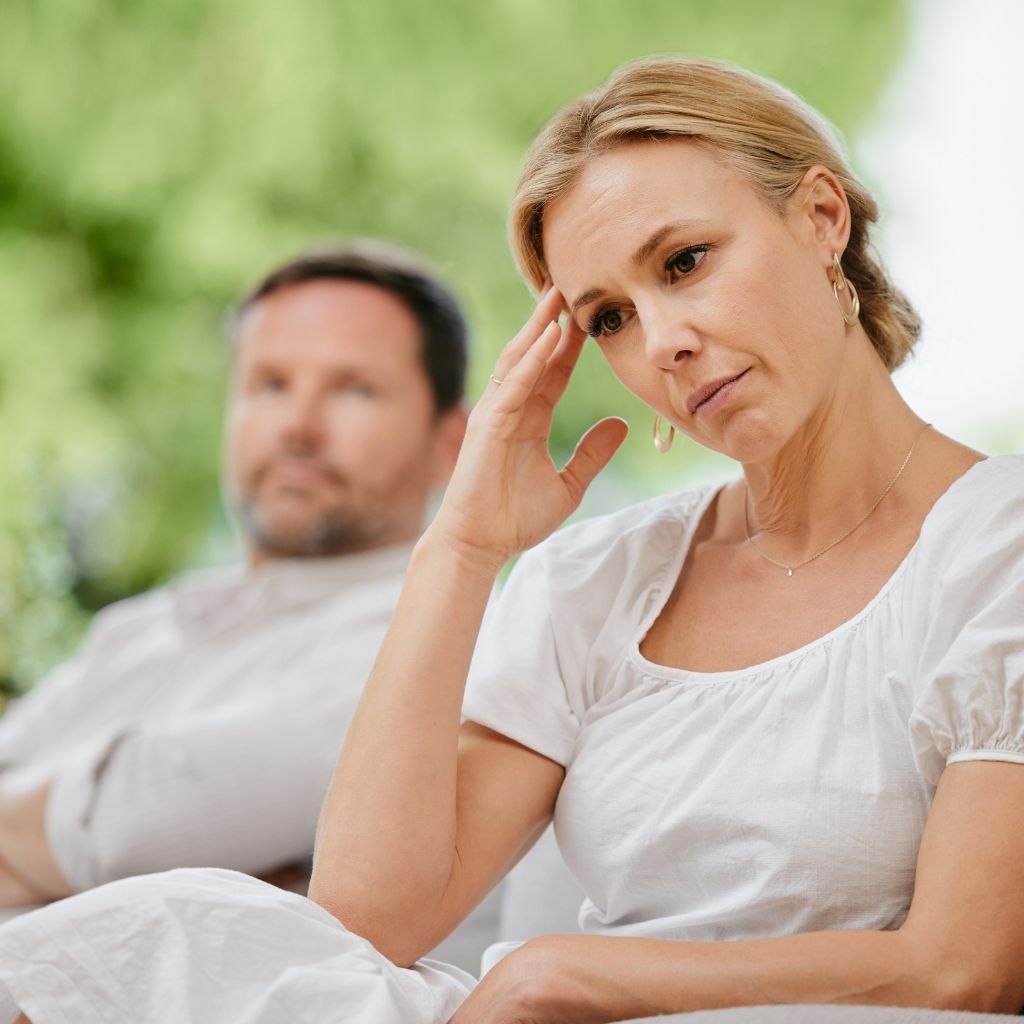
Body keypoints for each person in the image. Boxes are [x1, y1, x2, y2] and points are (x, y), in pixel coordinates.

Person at [2, 56, 1022, 1024]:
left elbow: (959, 970)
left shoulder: (996, 547)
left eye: (686, 261)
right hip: (527, 1009)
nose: (662, 339)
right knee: (169, 929)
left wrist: (571, 973)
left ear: (819, 216)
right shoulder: (604, 578)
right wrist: (463, 540)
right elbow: (366, 918)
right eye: (610, 316)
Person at [0, 241, 469, 914]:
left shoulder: (433, 652)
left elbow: (131, 826)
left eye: (354, 389)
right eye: (269, 385)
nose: (298, 428)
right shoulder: (137, 629)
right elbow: (121, 842)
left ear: (451, 443)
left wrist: (98, 846)